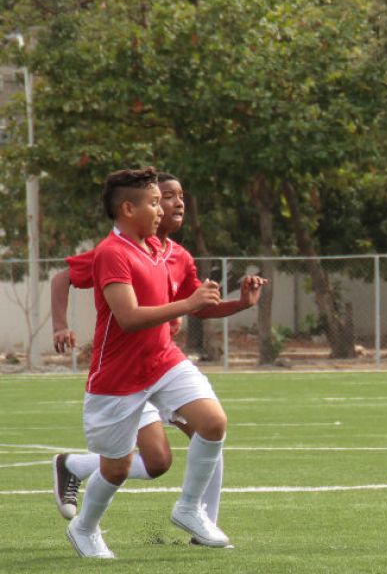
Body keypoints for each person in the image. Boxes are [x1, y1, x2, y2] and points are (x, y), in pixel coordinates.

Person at [50, 172, 265, 548]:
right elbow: (128, 316)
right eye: (163, 198)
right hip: (119, 376)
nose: (175, 204)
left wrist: (240, 305)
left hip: (163, 362)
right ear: (133, 208)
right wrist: (60, 325)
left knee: (211, 424)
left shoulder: (174, 254)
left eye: (178, 196)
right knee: (132, 465)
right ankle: (84, 521)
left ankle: (192, 511)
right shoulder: (113, 251)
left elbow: (197, 306)